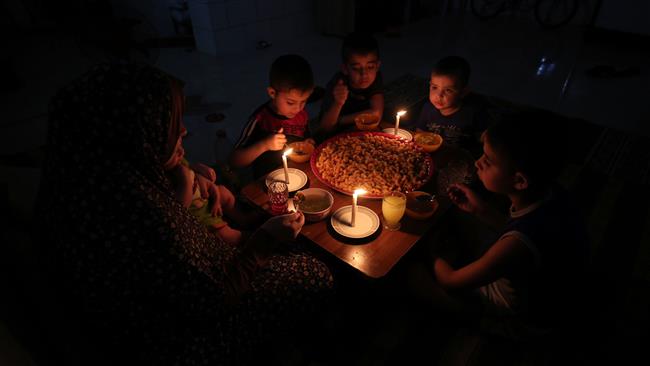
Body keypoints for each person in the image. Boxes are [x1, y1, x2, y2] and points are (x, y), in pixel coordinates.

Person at [35, 63, 334, 364]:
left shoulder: (109, 173)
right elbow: (214, 298)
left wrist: (196, 179)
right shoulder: (140, 218)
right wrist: (265, 240)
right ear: (134, 133)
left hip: (199, 284)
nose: (184, 130)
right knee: (312, 272)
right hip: (184, 336)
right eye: (169, 124)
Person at [410, 112, 588, 340]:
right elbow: (521, 229)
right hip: (540, 278)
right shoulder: (552, 193)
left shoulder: (517, 244)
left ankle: (479, 317)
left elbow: (451, 281)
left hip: (525, 316)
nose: (477, 163)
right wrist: (480, 210)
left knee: (412, 275)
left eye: (488, 160)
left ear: (520, 180)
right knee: (459, 218)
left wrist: (428, 250)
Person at [230, 54, 315, 179]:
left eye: (303, 101)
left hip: (297, 173)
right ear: (272, 93)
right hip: (268, 180)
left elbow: (305, 137)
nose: (298, 109)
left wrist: (308, 143)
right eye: (290, 102)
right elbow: (235, 160)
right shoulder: (260, 119)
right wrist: (265, 145)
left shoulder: (301, 114)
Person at [415, 56, 490, 157]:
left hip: (459, 158)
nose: (439, 95)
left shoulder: (473, 112)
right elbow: (420, 132)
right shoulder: (427, 108)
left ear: (463, 92)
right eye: (434, 87)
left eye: (448, 90)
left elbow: (485, 140)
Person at [317, 32, 384, 137]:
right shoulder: (338, 85)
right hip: (336, 133)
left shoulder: (375, 78)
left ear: (377, 66)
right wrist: (338, 103)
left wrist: (341, 120)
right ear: (345, 69)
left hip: (354, 126)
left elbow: (376, 114)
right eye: (356, 68)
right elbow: (324, 128)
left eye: (370, 67)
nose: (364, 74)